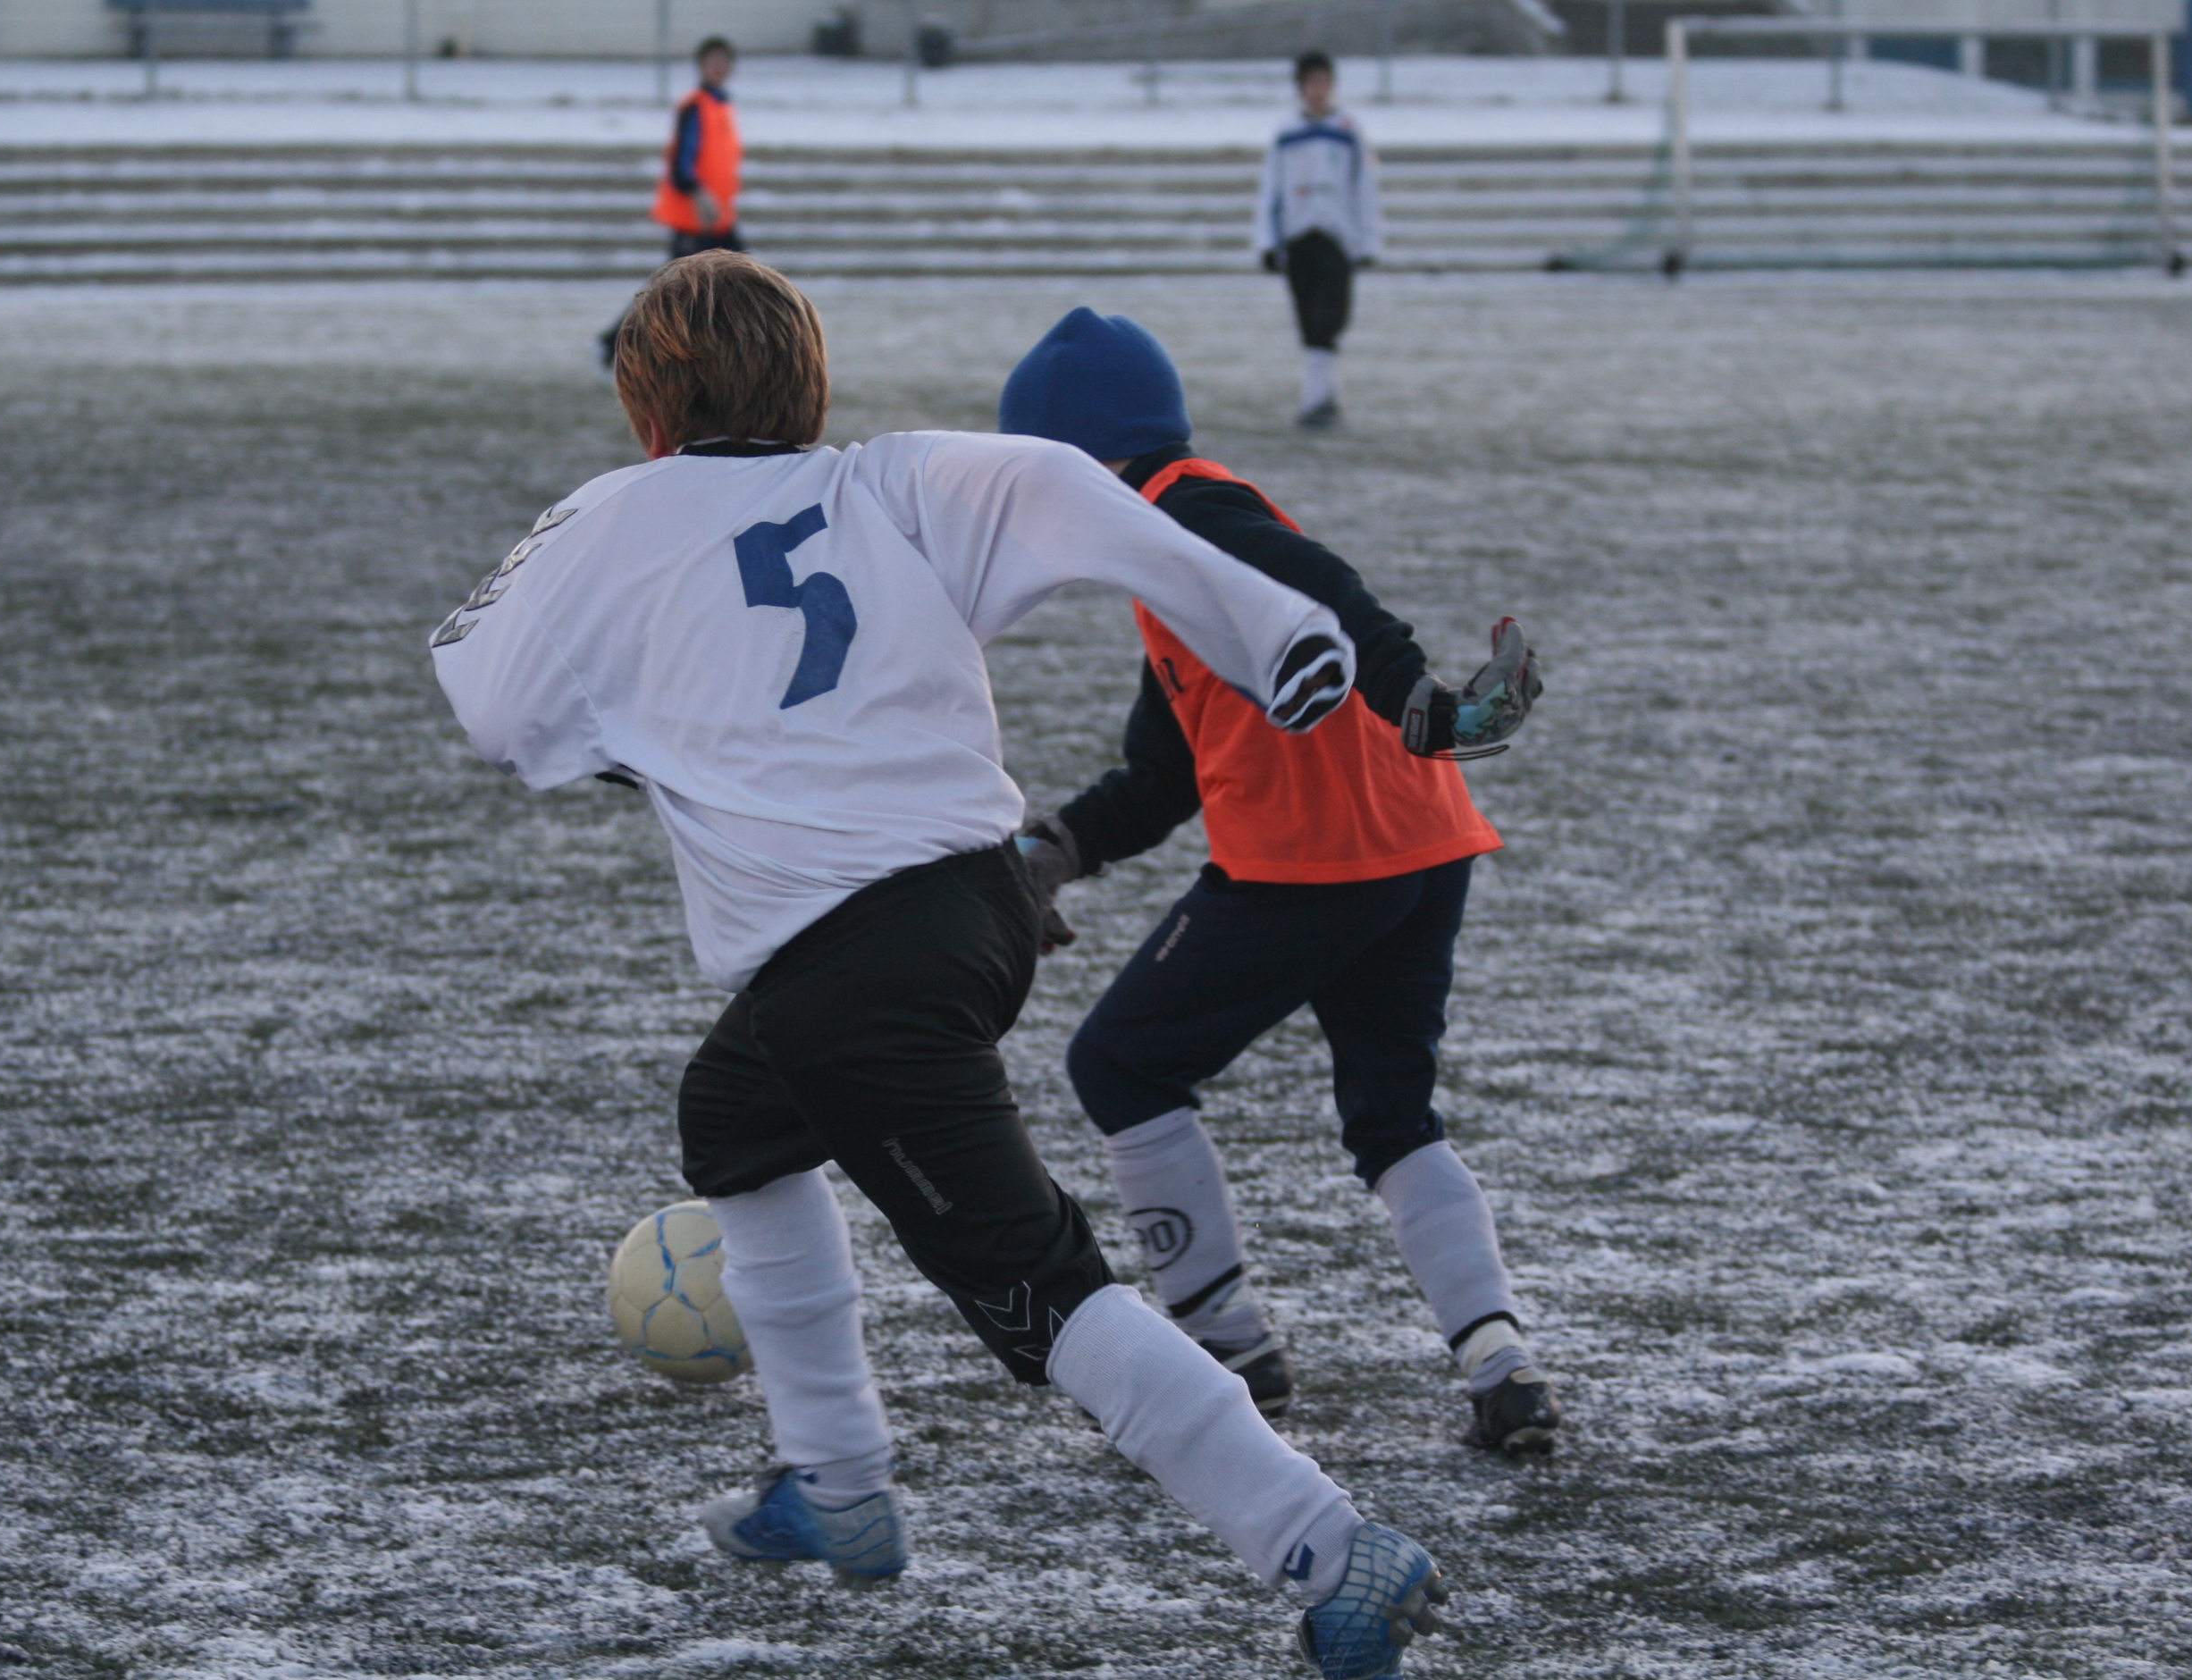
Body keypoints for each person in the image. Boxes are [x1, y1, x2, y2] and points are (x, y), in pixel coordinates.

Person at [433, 252, 1449, 1679]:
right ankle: (837, 1485)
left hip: (853, 965)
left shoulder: (610, 516)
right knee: (733, 1121)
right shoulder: (895, 477)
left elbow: (491, 707)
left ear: (648, 411)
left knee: (1037, 1288)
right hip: (974, 907)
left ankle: (1328, 1547)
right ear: (811, 385)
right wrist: (1273, 627)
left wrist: (646, 731)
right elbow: (1070, 486)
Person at [996, 307, 1563, 1457]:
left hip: (1315, 859)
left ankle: (1225, 1349)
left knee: (1119, 1063)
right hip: (1418, 846)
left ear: (1078, 461)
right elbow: (1163, 772)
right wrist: (1051, 852)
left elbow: (1325, 590)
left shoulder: (1186, 511)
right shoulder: (1169, 551)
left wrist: (1425, 700)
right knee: (1391, 1112)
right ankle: (1499, 1362)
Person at [598, 36, 743, 373]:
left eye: (724, 61)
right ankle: (614, 342)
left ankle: (725, 352)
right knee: (668, 291)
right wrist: (699, 194)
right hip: (695, 219)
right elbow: (682, 167)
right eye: (713, 61)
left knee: (743, 280)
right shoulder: (696, 107)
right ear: (701, 66)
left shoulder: (721, 106)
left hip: (718, 219)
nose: (719, 67)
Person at [1256, 51, 1380, 430]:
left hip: (1337, 236)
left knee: (1330, 318)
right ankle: (1326, 396)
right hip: (1299, 236)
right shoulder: (1286, 132)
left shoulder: (1348, 130)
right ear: (1300, 87)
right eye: (1311, 82)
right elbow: (1271, 189)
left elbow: (1365, 188)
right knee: (1309, 320)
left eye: (1324, 82)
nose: (1318, 90)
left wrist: (1368, 242)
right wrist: (1267, 241)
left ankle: (1315, 400)